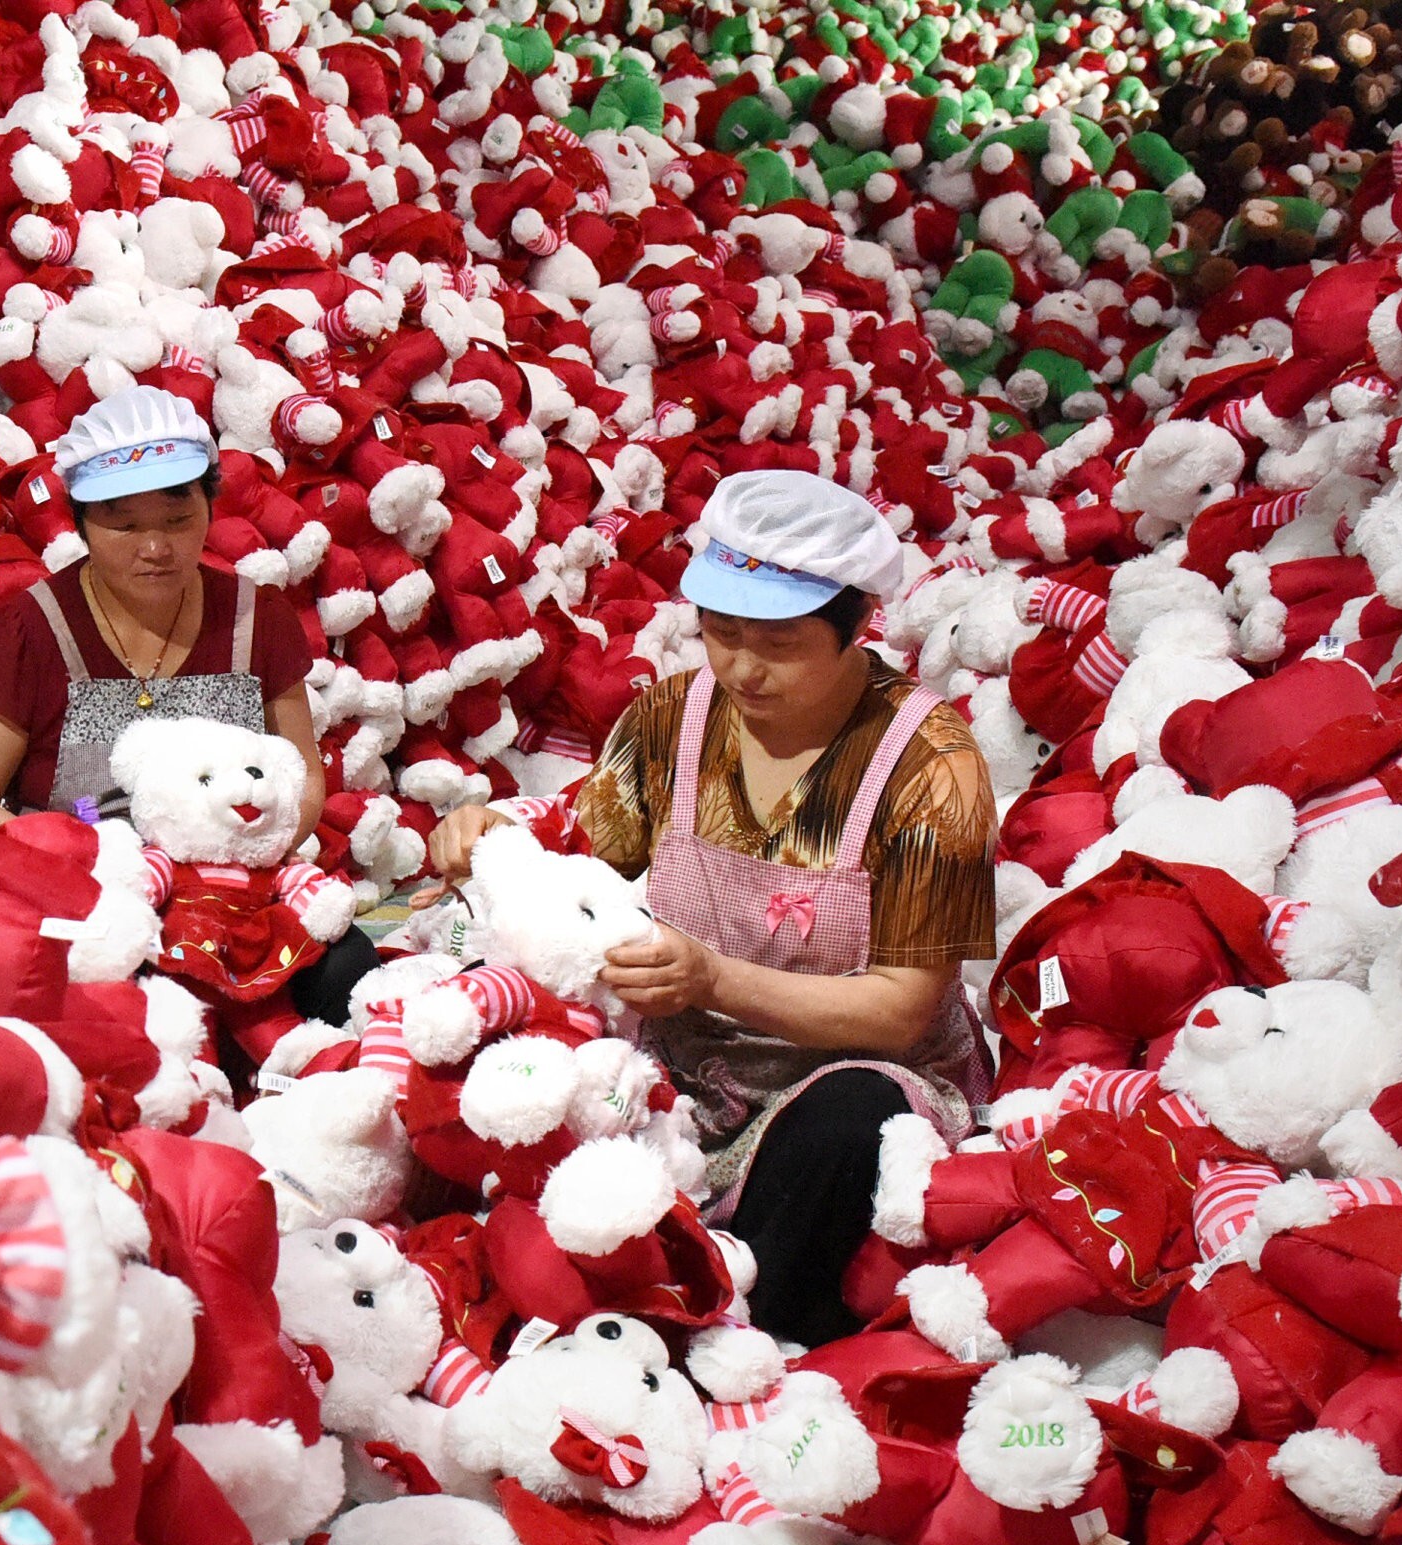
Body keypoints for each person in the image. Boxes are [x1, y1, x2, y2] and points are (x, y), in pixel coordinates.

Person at [425, 470, 995, 1346]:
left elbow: (901, 1006)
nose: (740, 668)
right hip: (676, 1062)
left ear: (856, 627)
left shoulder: (932, 769)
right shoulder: (672, 718)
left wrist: (714, 979)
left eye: (775, 642)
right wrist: (496, 833)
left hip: (846, 1073)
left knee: (849, 1126)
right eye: (719, 634)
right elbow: (592, 851)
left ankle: (730, 1331)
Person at [0, 387, 379, 1019]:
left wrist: (235, 856)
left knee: (346, 973)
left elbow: (301, 776)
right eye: (123, 526)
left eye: (178, 521)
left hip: (235, 895)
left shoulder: (253, 620)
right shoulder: (33, 635)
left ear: (210, 507)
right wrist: (86, 859)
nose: (155, 548)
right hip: (90, 901)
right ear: (79, 521)